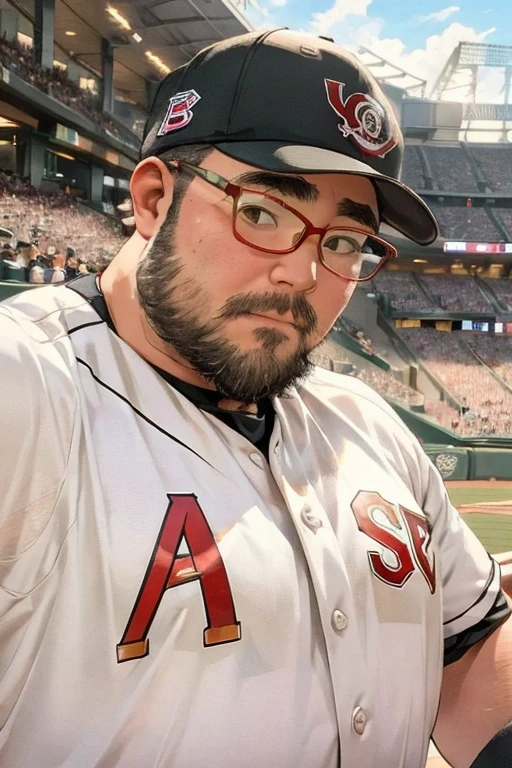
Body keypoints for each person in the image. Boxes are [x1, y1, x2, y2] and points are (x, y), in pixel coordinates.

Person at [0, 29, 510, 768]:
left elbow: (465, 644)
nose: (305, 273)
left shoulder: (367, 421)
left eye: (343, 241)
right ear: (151, 199)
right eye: (264, 213)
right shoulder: (28, 388)